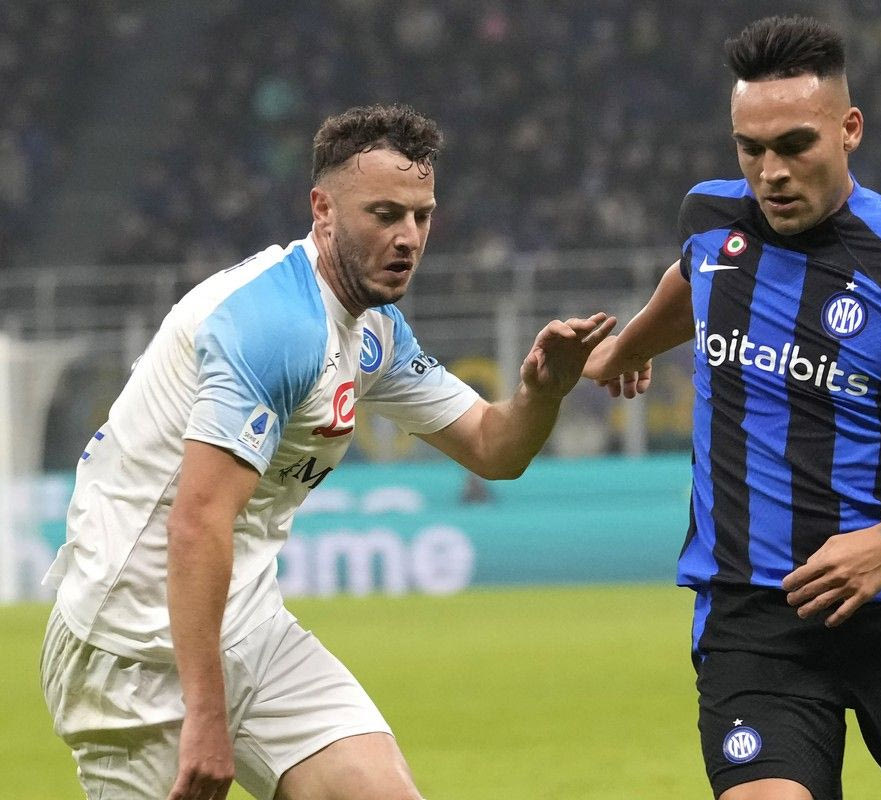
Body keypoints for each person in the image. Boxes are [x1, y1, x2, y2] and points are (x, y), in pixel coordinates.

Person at [40, 104, 614, 800]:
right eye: (385, 215)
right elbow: (197, 521)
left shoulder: (375, 329)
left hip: (247, 626)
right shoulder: (275, 325)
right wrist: (207, 717)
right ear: (323, 211)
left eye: (422, 217)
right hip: (131, 652)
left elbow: (494, 448)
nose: (408, 238)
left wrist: (543, 393)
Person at [584, 16, 881, 800]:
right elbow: (689, 278)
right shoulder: (710, 218)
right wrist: (627, 348)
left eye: (795, 146)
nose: (771, 173)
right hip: (755, 616)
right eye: (750, 149)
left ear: (849, 129)